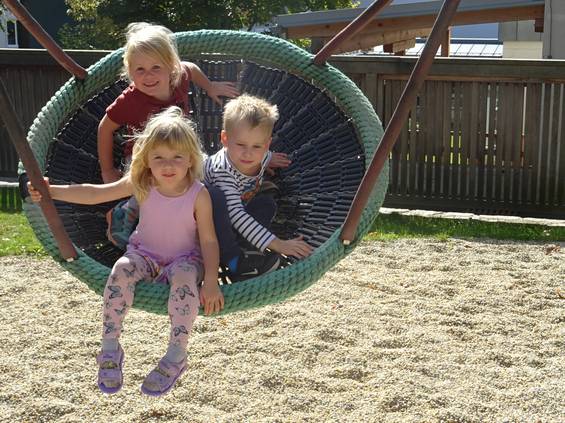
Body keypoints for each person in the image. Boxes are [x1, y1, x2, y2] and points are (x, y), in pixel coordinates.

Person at [28, 107, 223, 396]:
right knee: (120, 271)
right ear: (146, 159)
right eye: (159, 157)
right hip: (144, 255)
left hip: (184, 259)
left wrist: (210, 279)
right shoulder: (143, 183)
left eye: (177, 157)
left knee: (184, 280)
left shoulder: (198, 194)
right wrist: (51, 191)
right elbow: (96, 194)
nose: (168, 165)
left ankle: (176, 353)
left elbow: (208, 240)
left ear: (191, 159)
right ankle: (109, 347)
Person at [98, 22, 238, 183]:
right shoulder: (129, 101)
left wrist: (210, 87)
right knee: (149, 187)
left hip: (181, 149)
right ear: (130, 71)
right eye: (140, 69)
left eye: (156, 67)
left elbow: (190, 68)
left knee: (210, 173)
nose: (148, 76)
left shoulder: (179, 78)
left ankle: (226, 192)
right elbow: (104, 129)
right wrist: (107, 170)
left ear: (171, 66)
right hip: (145, 159)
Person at [204, 94, 313, 277]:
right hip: (207, 224)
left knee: (267, 204)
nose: (248, 154)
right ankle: (233, 259)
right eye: (240, 144)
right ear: (224, 139)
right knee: (216, 198)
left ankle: (248, 248)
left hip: (238, 207)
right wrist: (279, 244)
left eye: (257, 146)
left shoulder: (262, 155)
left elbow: (263, 153)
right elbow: (236, 215)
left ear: (267, 144)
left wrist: (270, 158)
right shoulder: (222, 171)